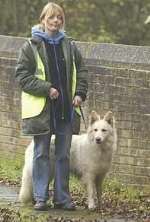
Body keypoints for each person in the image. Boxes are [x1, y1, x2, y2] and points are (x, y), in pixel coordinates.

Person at [15, 2, 88, 211]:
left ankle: (62, 199)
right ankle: (40, 197)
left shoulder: (70, 45)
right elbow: (22, 76)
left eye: (59, 18)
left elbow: (82, 71)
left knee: (64, 155)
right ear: (42, 20)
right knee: (41, 153)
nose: (56, 21)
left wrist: (80, 94)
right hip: (42, 112)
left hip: (66, 109)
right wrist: (47, 88)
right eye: (52, 17)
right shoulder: (30, 46)